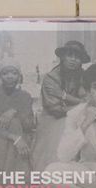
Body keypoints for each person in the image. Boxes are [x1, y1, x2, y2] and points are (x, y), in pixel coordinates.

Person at [31, 40, 89, 172]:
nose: (73, 60)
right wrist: (80, 103)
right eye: (70, 55)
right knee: (54, 152)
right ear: (63, 57)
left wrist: (64, 96)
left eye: (77, 57)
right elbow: (55, 109)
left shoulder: (84, 76)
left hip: (78, 117)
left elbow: (88, 100)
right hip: (53, 119)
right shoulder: (51, 78)